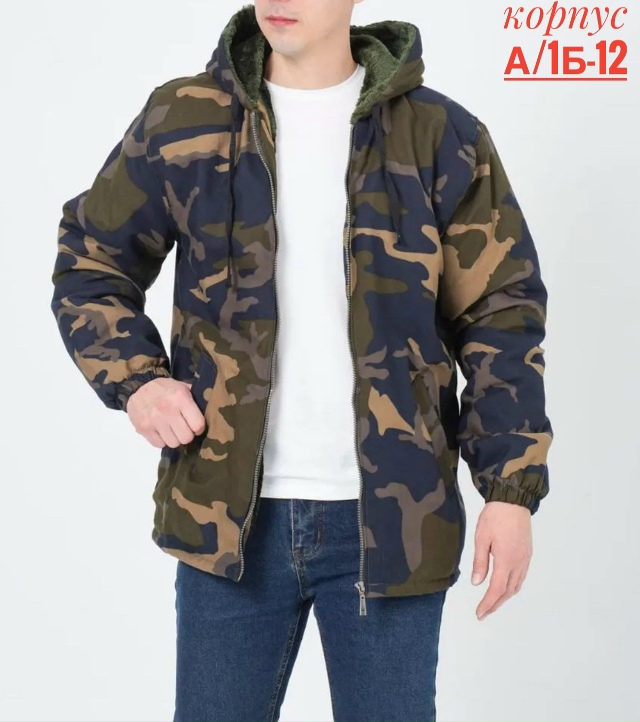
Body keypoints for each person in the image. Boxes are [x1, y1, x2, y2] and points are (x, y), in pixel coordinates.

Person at [50, 1, 553, 719]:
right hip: (227, 521)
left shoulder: (440, 135)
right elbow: (91, 261)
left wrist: (509, 489)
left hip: (394, 525)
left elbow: (501, 313)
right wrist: (138, 382)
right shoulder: (183, 118)